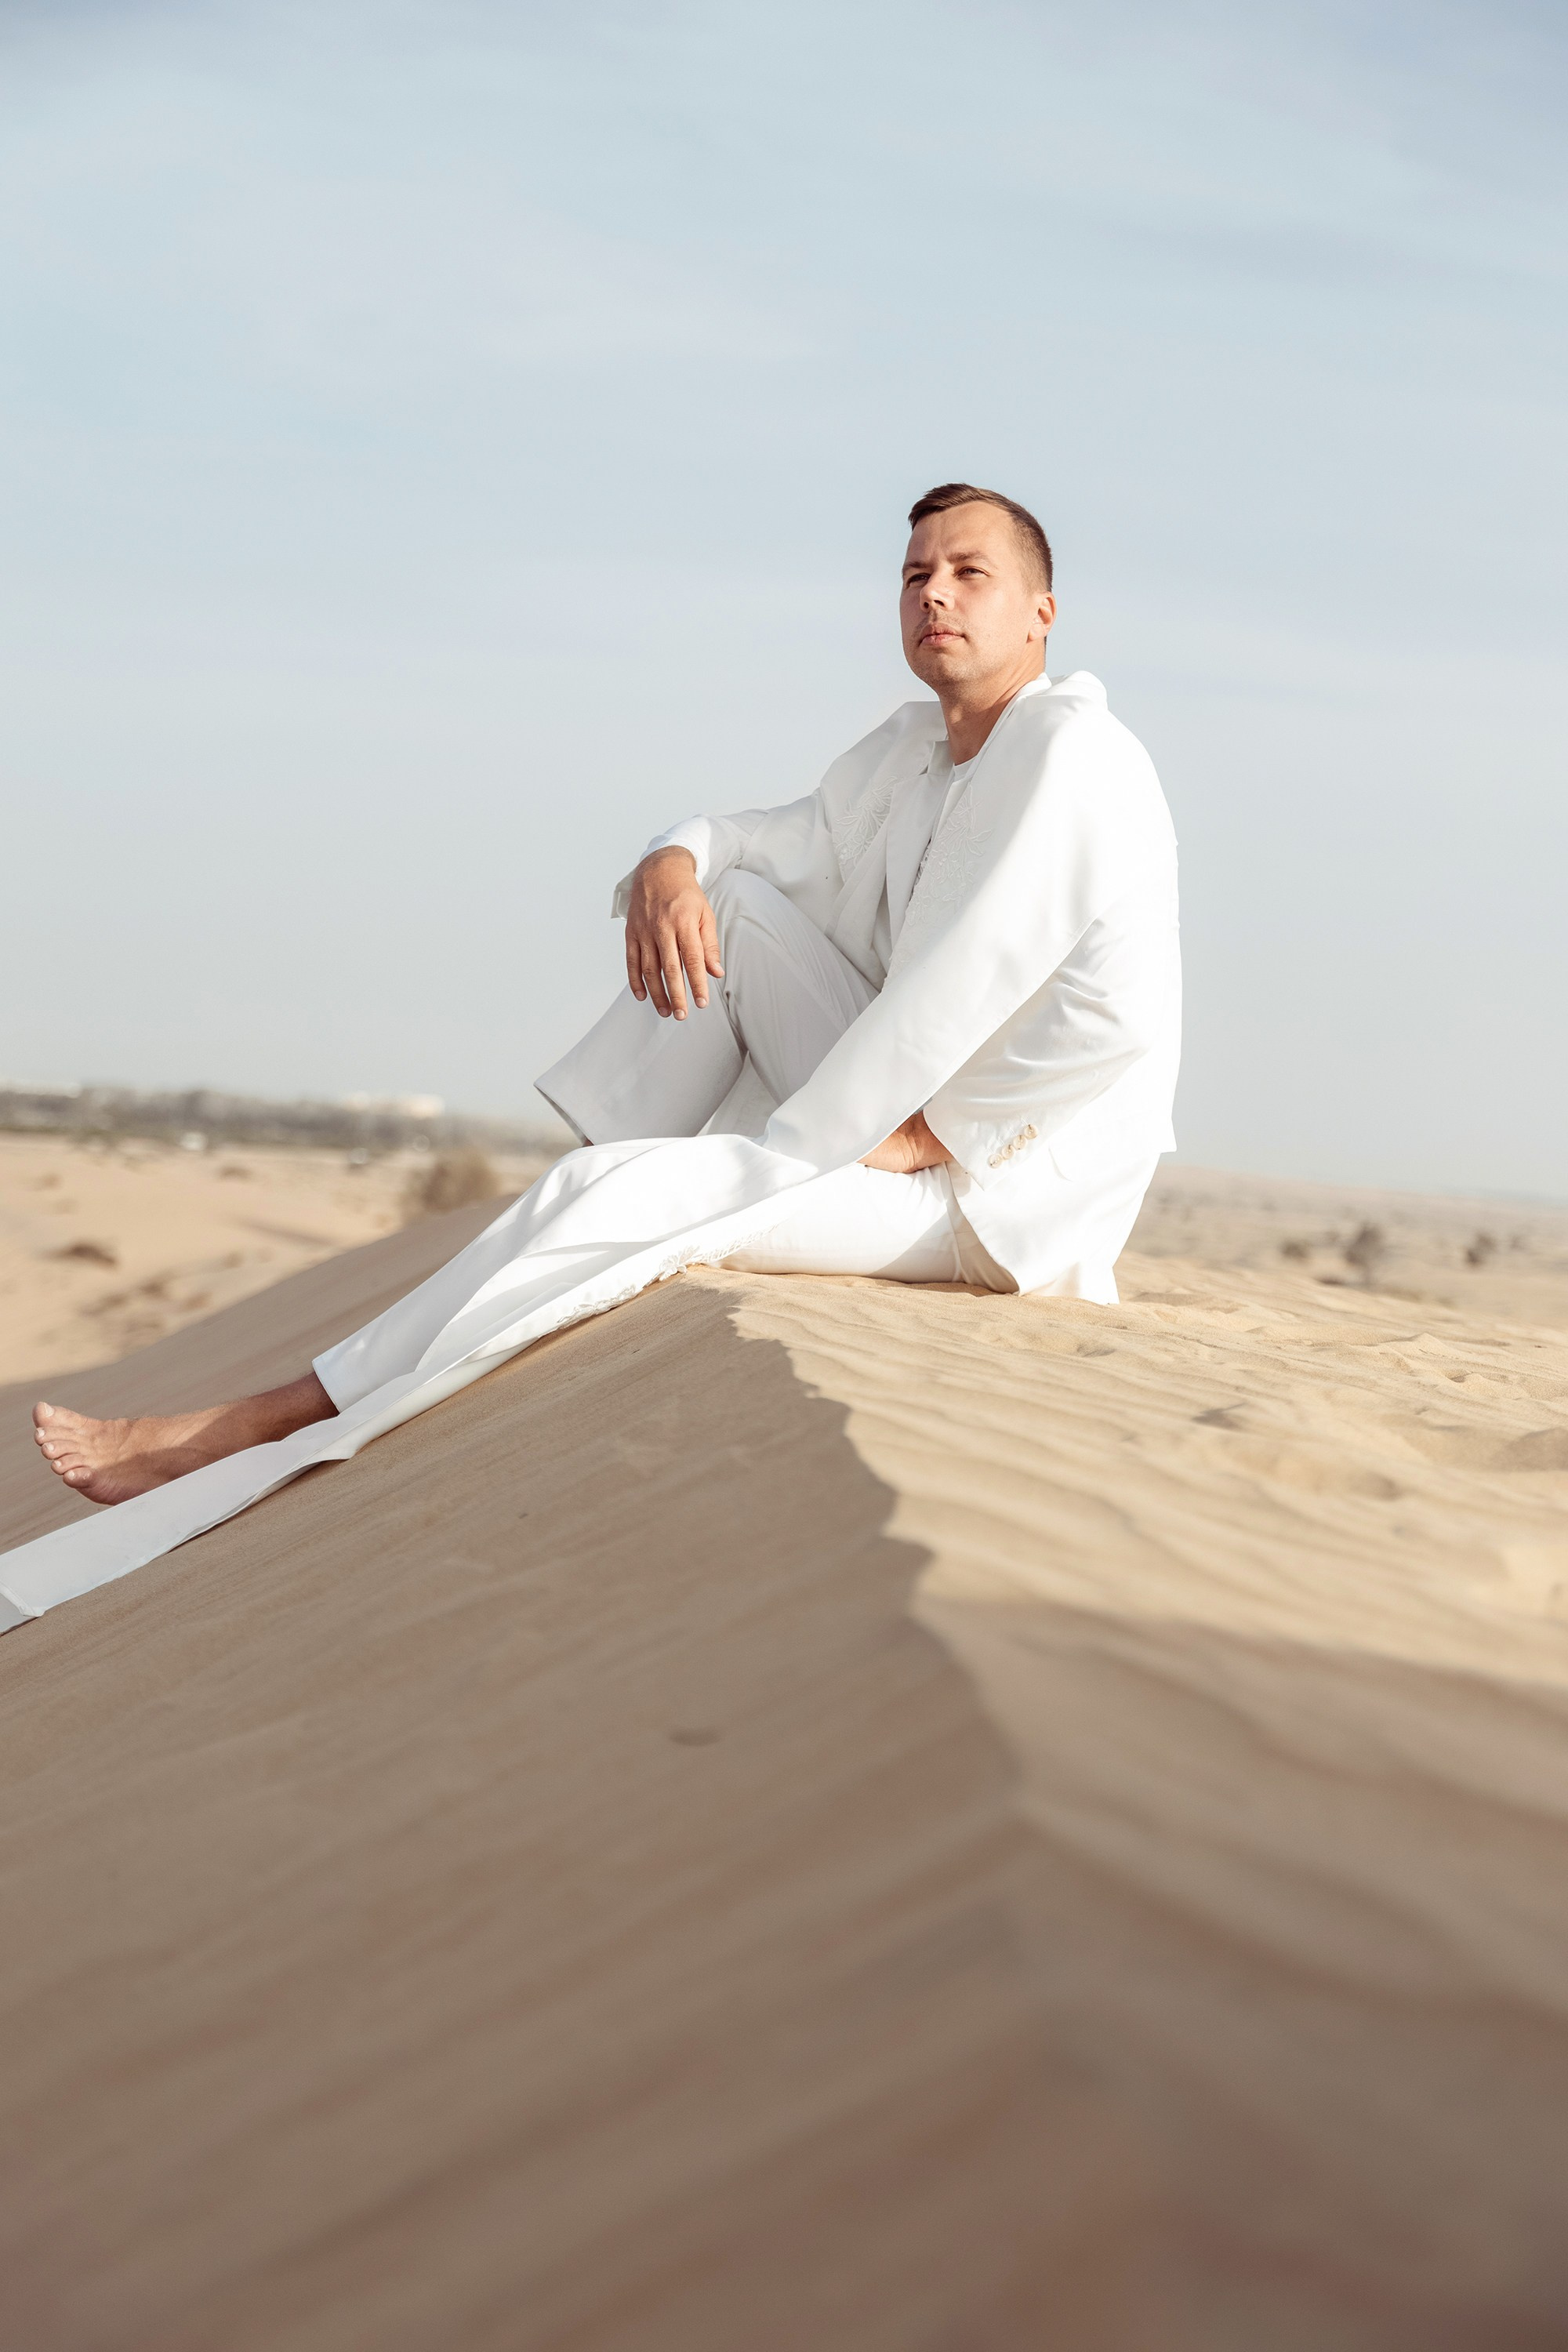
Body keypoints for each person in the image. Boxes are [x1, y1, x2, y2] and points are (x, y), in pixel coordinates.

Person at [10, 482, 1178, 1625]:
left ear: (1042, 613)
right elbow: (769, 843)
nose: (936, 595)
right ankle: (627, 1176)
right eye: (917, 574)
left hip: (994, 1195)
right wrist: (672, 860)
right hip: (889, 1117)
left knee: (598, 1196)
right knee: (728, 904)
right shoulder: (916, 749)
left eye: (971, 573)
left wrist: (936, 1132)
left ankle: (256, 1423)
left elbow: (1115, 1019)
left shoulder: (1071, 753)